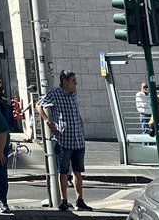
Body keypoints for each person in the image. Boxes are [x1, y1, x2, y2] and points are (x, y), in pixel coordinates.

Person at [37, 70, 92, 212]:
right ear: (65, 82)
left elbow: (75, 111)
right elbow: (39, 105)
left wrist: (81, 125)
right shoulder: (55, 93)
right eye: (73, 81)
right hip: (63, 140)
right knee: (63, 171)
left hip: (78, 139)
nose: (76, 83)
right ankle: (64, 200)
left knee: (78, 171)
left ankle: (80, 200)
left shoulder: (74, 93)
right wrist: (48, 121)